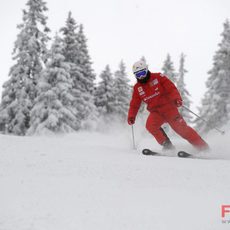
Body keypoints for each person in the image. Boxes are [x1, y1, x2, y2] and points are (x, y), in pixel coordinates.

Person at [127, 60, 209, 151]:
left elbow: (171, 88)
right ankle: (167, 146)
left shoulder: (158, 77)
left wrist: (176, 98)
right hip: (156, 112)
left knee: (181, 129)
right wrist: (131, 116)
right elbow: (134, 103)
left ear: (146, 70)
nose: (141, 76)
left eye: (142, 73)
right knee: (150, 126)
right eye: (138, 75)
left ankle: (203, 147)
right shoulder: (137, 88)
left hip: (169, 108)